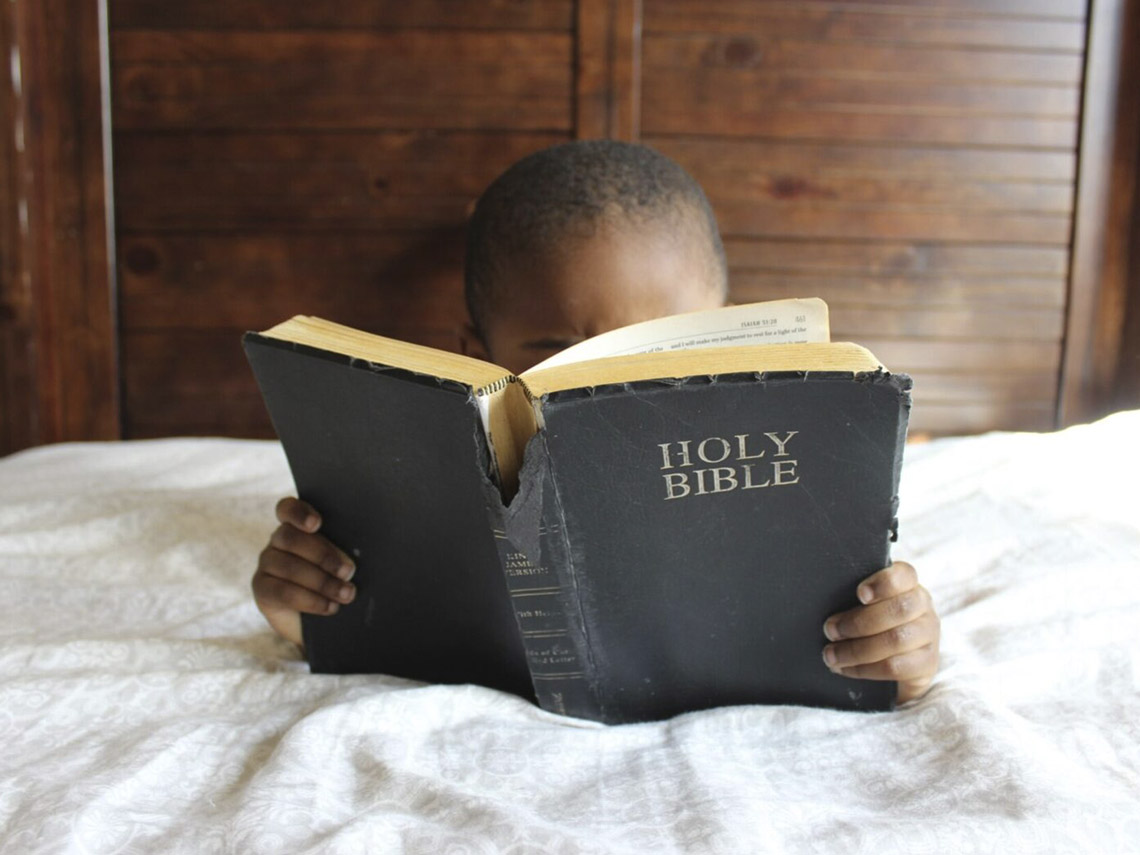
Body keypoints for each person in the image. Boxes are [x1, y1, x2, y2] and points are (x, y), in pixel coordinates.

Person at [251, 140, 941, 704]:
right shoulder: (423, 488)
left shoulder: (795, 481)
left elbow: (876, 641)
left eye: (666, 345)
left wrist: (897, 651)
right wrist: (308, 610)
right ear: (475, 354)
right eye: (561, 354)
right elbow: (374, 621)